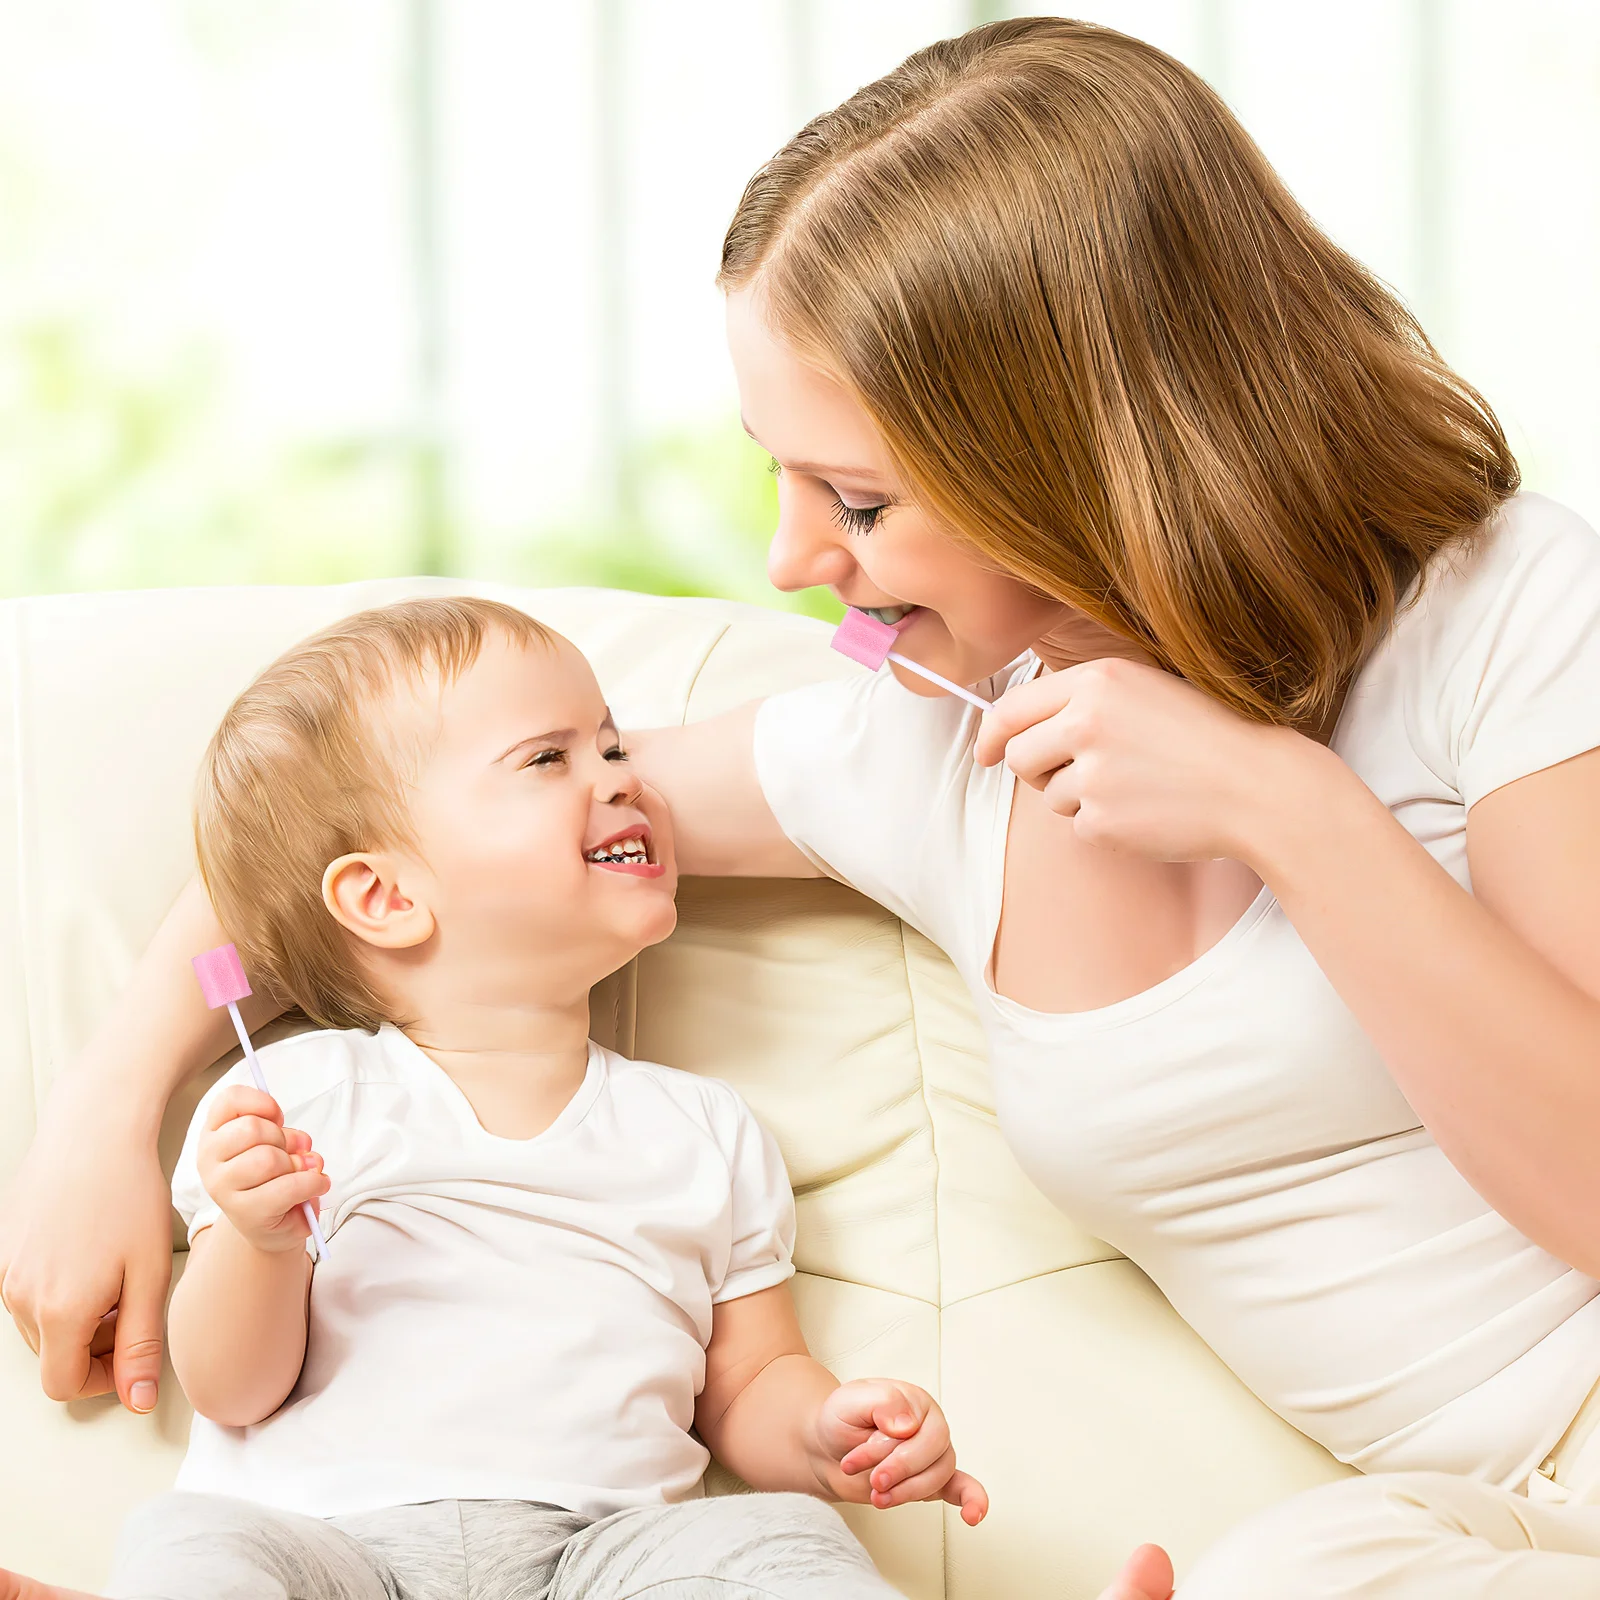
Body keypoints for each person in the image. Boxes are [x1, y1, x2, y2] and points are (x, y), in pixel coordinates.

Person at [5, 15, 1600, 1599]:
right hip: (1458, 1522)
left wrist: (1291, 814)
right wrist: (104, 1110)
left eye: (857, 501)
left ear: (1079, 459)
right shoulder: (919, 754)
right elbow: (392, 819)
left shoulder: (1505, 614)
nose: (789, 563)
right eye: (778, 473)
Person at [0, 598, 983, 1600]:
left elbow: (751, 1384)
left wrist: (826, 1433)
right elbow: (230, 1388)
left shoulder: (707, 1131)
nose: (622, 774)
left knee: (778, 1542)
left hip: (606, 1554)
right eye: (550, 759)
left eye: (610, 743)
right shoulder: (289, 1095)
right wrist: (262, 1243)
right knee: (195, 1546)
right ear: (385, 897)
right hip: (328, 1544)